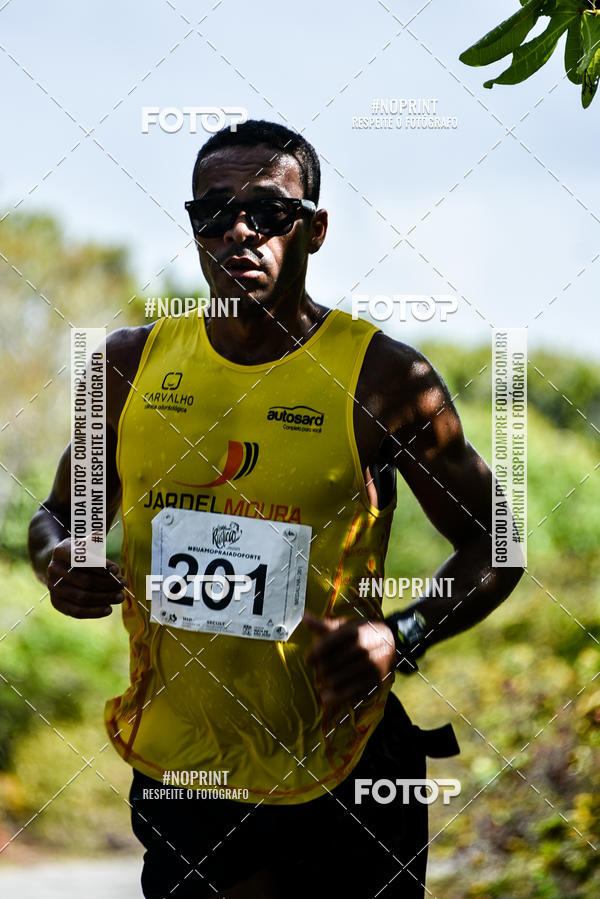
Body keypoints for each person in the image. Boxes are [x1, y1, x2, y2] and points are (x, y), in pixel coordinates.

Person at [28, 120, 523, 898]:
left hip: (345, 766)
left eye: (268, 211)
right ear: (194, 226)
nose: (239, 231)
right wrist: (59, 558)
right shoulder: (125, 366)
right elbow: (58, 517)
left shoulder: (383, 378)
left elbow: (498, 542)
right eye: (214, 211)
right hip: (184, 763)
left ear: (315, 230)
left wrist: (400, 636)